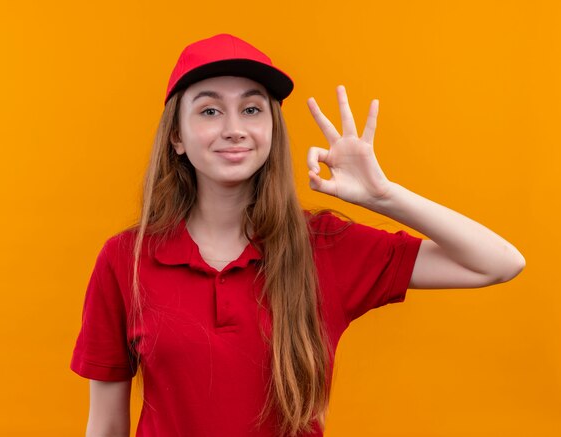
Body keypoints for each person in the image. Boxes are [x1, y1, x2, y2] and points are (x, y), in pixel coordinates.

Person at [70, 33, 525, 437]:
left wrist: (384, 197)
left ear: (271, 130)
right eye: (209, 110)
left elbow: (499, 263)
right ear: (177, 138)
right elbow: (107, 425)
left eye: (252, 109)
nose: (234, 129)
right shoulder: (124, 259)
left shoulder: (324, 246)